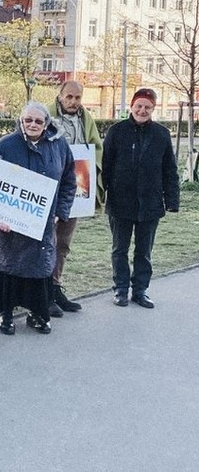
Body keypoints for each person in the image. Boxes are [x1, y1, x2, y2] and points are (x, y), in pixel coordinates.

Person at [0, 102, 76, 335]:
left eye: (38, 121)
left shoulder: (58, 146)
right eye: (28, 120)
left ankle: (38, 313)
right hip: (8, 225)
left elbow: (69, 180)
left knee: (39, 269)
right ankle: (5, 314)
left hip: (43, 222)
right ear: (20, 121)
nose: (32, 125)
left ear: (47, 123)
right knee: (8, 267)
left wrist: (61, 210)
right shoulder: (5, 145)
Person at [103, 88, 179, 308]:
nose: (142, 110)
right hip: (120, 201)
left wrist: (172, 200)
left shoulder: (161, 134)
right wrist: (101, 194)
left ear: (153, 109)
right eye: (139, 106)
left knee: (144, 250)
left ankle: (140, 290)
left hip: (150, 202)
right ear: (131, 107)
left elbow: (169, 170)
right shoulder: (116, 132)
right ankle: (120, 289)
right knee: (119, 249)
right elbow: (106, 165)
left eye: (147, 107)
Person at [46, 80, 103, 317]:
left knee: (63, 243)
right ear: (60, 96)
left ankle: (56, 287)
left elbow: (96, 148)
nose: (73, 102)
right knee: (45, 243)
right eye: (69, 97)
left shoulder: (85, 118)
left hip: (75, 189)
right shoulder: (46, 114)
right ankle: (43, 292)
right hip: (49, 190)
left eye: (77, 98)